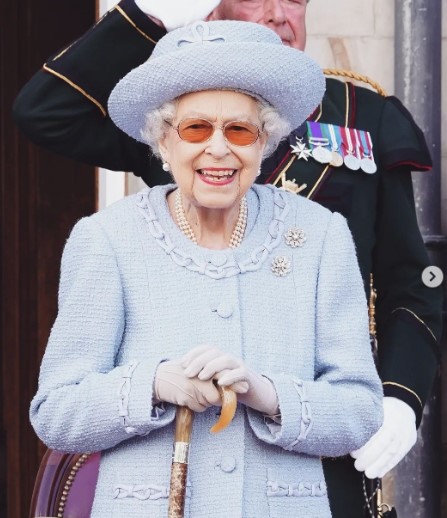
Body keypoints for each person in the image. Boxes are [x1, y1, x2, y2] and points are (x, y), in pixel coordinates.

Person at [14, 1, 442, 516]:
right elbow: (46, 110)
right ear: (164, 143)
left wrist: (396, 393)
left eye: (241, 132)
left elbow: (406, 283)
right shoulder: (111, 233)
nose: (218, 149)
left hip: (310, 471)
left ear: (265, 141)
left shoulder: (357, 128)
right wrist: (152, 14)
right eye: (195, 130)